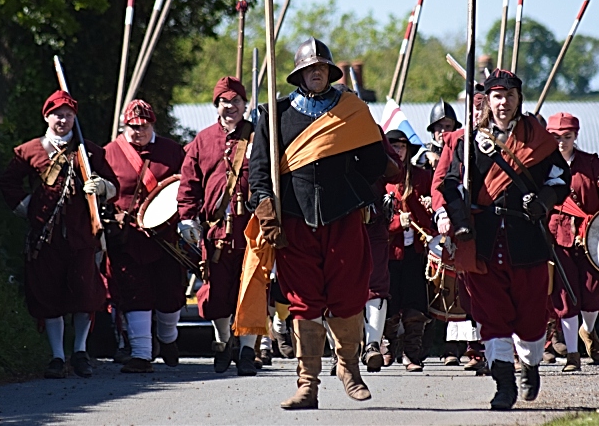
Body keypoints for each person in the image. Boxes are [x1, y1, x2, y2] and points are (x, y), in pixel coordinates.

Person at [248, 37, 387, 409]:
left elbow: (375, 162)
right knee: (302, 302)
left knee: (348, 296)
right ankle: (307, 384)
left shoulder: (352, 110)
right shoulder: (273, 115)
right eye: (310, 69)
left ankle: (349, 368)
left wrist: (355, 191)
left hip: (343, 218)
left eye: (321, 68)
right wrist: (268, 217)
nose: (316, 73)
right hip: (294, 220)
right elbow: (259, 173)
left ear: (329, 71)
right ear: (299, 74)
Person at [440, 69, 572, 410]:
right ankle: (503, 383)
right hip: (484, 240)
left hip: (526, 239)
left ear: (518, 99)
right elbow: (450, 184)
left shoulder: (537, 137)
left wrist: (543, 200)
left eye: (509, 95)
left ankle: (530, 363)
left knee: (530, 317)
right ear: (487, 100)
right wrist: (460, 220)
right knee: (491, 315)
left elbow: (560, 178)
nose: (503, 102)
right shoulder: (470, 139)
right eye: (497, 96)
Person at [0, 91, 117, 379]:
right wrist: (29, 208)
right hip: (45, 239)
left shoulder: (88, 152)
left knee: (84, 295)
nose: (62, 119)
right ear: (46, 116)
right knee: (48, 296)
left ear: (74, 118)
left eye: (67, 114)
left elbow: (114, 185)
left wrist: (100, 187)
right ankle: (57, 356)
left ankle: (79, 352)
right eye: (57, 114)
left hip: (80, 237)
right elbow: (8, 183)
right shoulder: (28, 151)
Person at [177, 76, 258, 376]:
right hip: (215, 233)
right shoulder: (202, 140)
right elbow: (189, 183)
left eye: (236, 101)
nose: (231, 107)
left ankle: (248, 351)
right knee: (217, 292)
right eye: (225, 102)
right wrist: (187, 217)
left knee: (250, 290)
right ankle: (224, 343)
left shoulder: (257, 137)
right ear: (217, 105)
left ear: (244, 105)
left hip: (252, 230)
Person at [103, 99, 185, 374]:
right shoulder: (109, 154)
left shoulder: (173, 151)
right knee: (135, 294)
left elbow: (186, 188)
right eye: (133, 127)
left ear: (153, 124)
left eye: (144, 126)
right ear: (125, 125)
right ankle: (141, 354)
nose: (138, 131)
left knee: (170, 294)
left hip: (166, 237)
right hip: (129, 238)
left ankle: (168, 339)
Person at [546, 112, 599, 371]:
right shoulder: (540, 164)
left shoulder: (589, 163)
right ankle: (573, 354)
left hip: (590, 236)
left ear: (576, 136)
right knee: (565, 294)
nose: (561, 142)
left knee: (593, 292)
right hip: (556, 238)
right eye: (556, 137)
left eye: (567, 137)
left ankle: (589, 330)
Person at [432, 92, 487, 370]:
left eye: (481, 110)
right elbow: (440, 181)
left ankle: (502, 348)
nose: (477, 115)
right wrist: (443, 212)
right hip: (464, 223)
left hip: (496, 221)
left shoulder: (505, 139)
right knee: (469, 288)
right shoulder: (455, 140)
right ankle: (476, 350)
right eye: (473, 111)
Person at [382, 130, 434, 372]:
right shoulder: (381, 178)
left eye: (403, 146)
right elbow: (373, 218)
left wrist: (429, 204)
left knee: (415, 306)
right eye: (394, 146)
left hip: (416, 252)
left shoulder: (423, 177)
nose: (400, 150)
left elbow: (433, 215)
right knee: (390, 304)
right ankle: (388, 349)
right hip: (389, 252)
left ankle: (412, 354)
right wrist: (394, 224)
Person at [361, 131, 404, 373]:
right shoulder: (321, 125)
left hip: (372, 218)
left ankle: (372, 346)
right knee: (337, 286)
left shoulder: (370, 128)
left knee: (376, 283)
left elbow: (395, 169)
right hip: (335, 221)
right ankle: (343, 351)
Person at [416, 99, 461, 170]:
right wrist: (426, 154)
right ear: (433, 128)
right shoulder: (423, 151)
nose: (443, 131)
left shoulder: (461, 150)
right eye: (439, 126)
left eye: (448, 126)